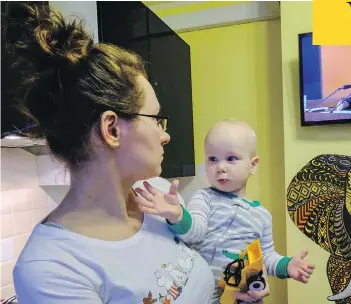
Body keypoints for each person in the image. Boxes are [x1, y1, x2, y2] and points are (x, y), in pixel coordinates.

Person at [8, 3, 268, 304]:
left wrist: (242, 287)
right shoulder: (51, 268)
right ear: (112, 130)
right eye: (155, 119)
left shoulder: (157, 195)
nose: (166, 135)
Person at [134, 119, 315, 303]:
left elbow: (266, 258)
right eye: (213, 159)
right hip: (203, 295)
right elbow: (194, 233)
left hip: (241, 297)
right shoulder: (203, 198)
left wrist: (287, 265)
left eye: (231, 159)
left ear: (253, 165)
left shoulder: (262, 215)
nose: (220, 167)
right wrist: (178, 215)